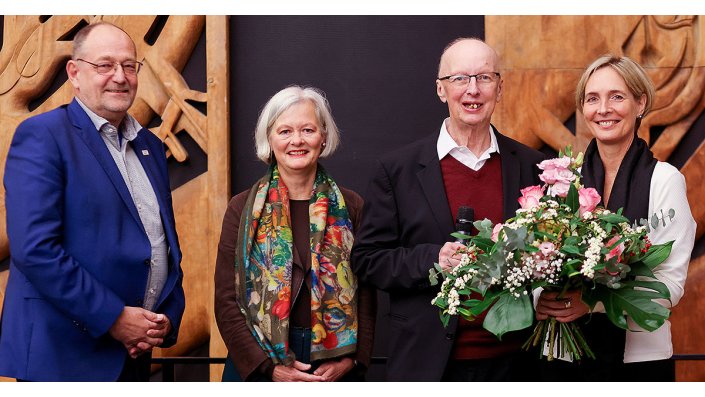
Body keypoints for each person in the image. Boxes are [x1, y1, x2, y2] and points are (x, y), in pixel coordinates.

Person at [350, 37, 544, 381]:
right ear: (441, 90)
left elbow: (549, 253)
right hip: (426, 363)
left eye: (484, 78)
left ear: (499, 89)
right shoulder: (397, 170)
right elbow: (368, 260)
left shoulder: (533, 166)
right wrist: (433, 259)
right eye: (460, 79)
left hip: (518, 362)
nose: (473, 90)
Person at [0, 22, 185, 381]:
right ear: (75, 73)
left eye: (129, 66)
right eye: (105, 65)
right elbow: (35, 249)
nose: (120, 76)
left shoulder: (149, 146)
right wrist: (115, 318)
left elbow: (161, 242)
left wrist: (165, 316)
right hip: (62, 359)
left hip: (132, 356)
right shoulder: (43, 136)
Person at [535, 55, 696, 381]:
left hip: (639, 363)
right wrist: (542, 298)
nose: (603, 109)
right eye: (592, 98)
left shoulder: (665, 180)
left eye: (617, 96)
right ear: (583, 108)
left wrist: (591, 301)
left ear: (641, 103)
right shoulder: (565, 179)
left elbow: (670, 287)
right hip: (563, 358)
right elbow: (538, 261)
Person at [214, 86, 375, 382]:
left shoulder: (352, 206)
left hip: (332, 363)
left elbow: (366, 292)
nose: (297, 140)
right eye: (285, 131)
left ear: (323, 136)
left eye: (307, 130)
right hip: (259, 362)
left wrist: (351, 359)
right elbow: (226, 299)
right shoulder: (242, 208)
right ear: (270, 138)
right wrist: (268, 368)